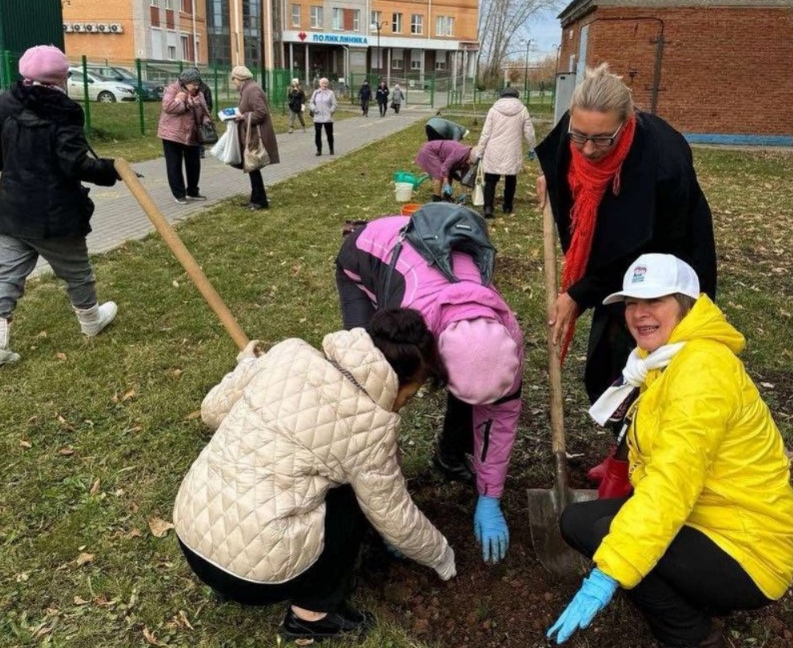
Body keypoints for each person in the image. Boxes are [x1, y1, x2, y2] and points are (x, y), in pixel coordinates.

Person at [546, 253, 793, 648]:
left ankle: (694, 636)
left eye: (654, 301)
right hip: (707, 515)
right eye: (631, 303)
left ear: (686, 304)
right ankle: (695, 590)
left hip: (749, 547)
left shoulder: (702, 371)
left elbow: (671, 482)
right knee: (579, 522)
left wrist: (610, 572)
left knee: (610, 542)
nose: (639, 314)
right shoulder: (662, 360)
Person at [173, 308, 456, 642]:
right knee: (355, 497)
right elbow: (395, 518)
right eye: (409, 395)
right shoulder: (370, 427)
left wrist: (249, 369)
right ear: (398, 381)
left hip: (192, 535)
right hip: (253, 579)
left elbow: (213, 411)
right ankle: (313, 613)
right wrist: (442, 555)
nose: (404, 405)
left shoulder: (288, 353)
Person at [535, 63, 717, 494]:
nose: (588, 148)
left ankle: (633, 467)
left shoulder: (662, 163)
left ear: (627, 123)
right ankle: (623, 449)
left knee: (652, 369)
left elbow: (645, 253)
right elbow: (561, 154)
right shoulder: (578, 130)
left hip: (669, 264)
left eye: (602, 138)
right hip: (614, 262)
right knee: (605, 370)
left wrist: (579, 293)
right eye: (580, 136)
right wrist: (555, 177)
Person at [336, 208, 524, 565]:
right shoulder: (410, 328)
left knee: (474, 387)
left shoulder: (507, 339)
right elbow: (380, 417)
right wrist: (392, 519)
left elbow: (499, 419)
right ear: (434, 359)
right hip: (366, 258)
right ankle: (356, 496)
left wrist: (491, 497)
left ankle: (449, 455)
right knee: (368, 388)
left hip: (430, 277)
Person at [0, 45, 120, 366]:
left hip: (13, 209)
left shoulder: (6, 103)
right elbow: (75, 163)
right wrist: (111, 169)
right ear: (62, 77)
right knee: (78, 273)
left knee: (7, 275)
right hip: (54, 215)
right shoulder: (62, 112)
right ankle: (91, 322)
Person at [473, 86, 535, 219]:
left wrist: (480, 152)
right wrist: (532, 148)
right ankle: (507, 206)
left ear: (501, 96)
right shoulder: (523, 110)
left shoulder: (493, 110)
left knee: (490, 179)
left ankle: (488, 207)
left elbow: (486, 132)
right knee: (511, 178)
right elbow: (529, 131)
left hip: (494, 149)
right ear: (516, 96)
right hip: (512, 149)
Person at [157, 67, 212, 204]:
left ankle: (193, 191)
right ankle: (179, 194)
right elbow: (168, 107)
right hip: (172, 134)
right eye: (193, 83)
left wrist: (206, 120)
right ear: (185, 82)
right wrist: (186, 103)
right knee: (174, 164)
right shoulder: (172, 90)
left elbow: (204, 110)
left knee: (194, 163)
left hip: (192, 133)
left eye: (197, 83)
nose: (196, 86)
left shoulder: (199, 93)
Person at [231, 65, 280, 211]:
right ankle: (256, 198)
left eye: (233, 79)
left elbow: (261, 112)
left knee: (253, 165)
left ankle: (260, 201)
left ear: (239, 78)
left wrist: (243, 116)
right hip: (250, 133)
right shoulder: (248, 88)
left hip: (256, 135)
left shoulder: (252, 90)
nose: (233, 82)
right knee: (252, 167)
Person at [309, 77, 337, 156]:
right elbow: (311, 103)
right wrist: (314, 109)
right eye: (323, 83)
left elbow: (334, 104)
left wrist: (331, 111)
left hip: (328, 118)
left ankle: (331, 149)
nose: (324, 84)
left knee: (329, 134)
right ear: (319, 84)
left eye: (326, 83)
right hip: (318, 117)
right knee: (318, 135)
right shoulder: (316, 92)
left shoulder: (330, 93)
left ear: (327, 84)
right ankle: (319, 150)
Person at [197, 75, 213, 159]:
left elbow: (209, 102)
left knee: (201, 132)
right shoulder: (187, 87)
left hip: (202, 114)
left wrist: (207, 113)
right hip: (193, 113)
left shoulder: (205, 88)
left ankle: (201, 151)